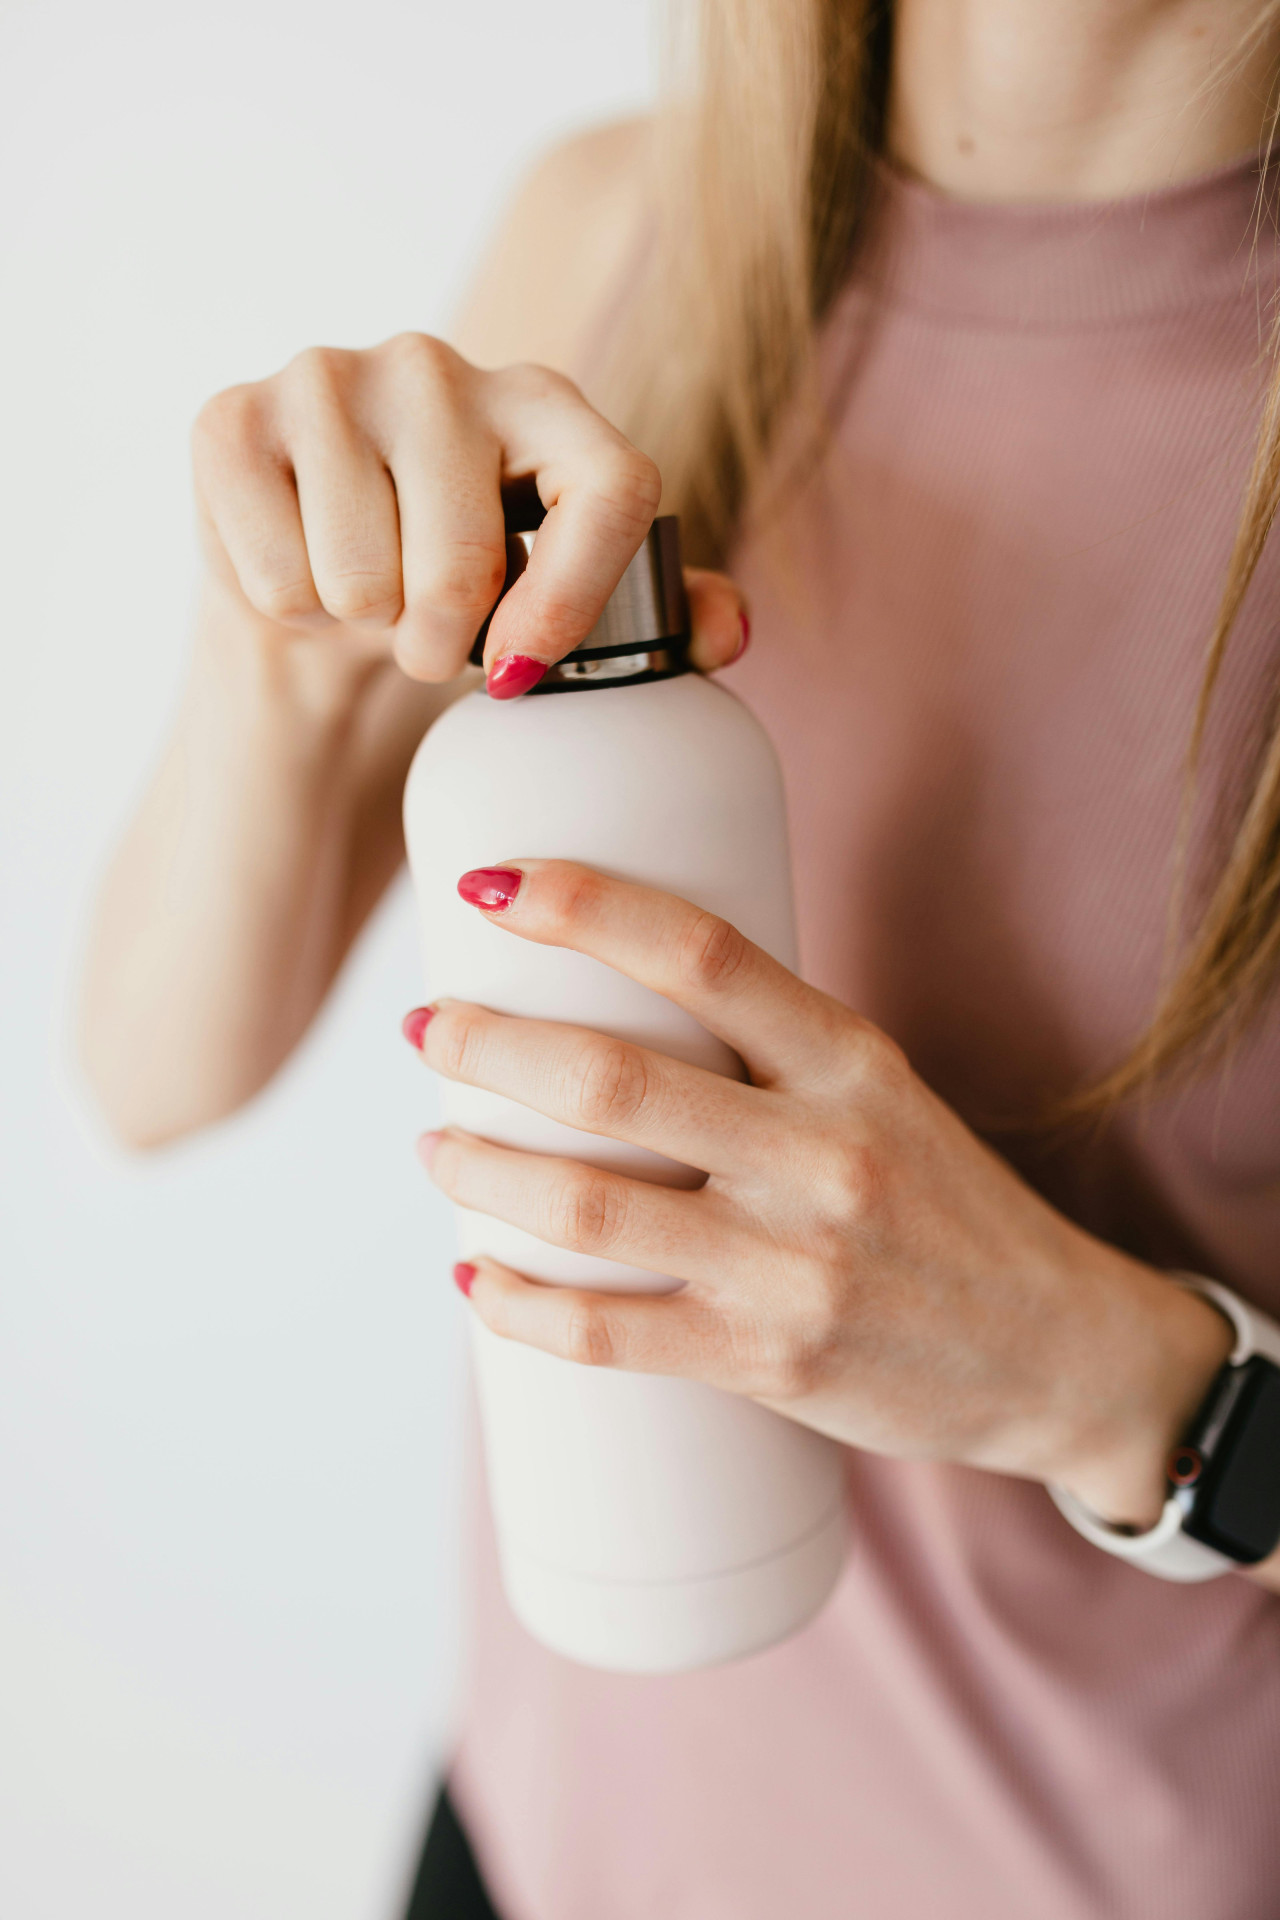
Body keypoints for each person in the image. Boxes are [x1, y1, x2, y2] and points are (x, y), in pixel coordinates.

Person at [81, 1, 1280, 1915]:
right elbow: (153, 1074)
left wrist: (1102, 1378)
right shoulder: (622, 233)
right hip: (537, 1849)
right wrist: (273, 656)